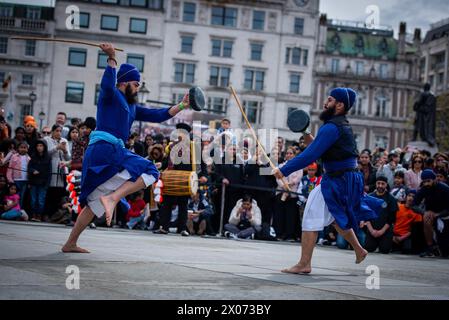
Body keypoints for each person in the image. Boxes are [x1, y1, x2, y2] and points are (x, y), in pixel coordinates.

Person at [62, 43, 191, 253]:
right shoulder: (110, 95)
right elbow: (106, 84)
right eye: (136, 84)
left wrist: (183, 105)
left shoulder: (131, 106)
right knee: (151, 170)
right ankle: (112, 198)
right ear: (124, 83)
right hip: (106, 149)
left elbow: (158, 114)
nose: (138, 88)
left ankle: (70, 243)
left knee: (94, 202)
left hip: (108, 152)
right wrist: (112, 58)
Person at [273, 87, 382, 274]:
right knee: (334, 217)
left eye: (330, 100)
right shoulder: (338, 125)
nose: (325, 103)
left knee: (310, 217)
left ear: (339, 105)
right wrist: (306, 133)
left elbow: (311, 154)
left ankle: (304, 264)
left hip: (338, 179)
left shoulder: (332, 127)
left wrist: (283, 169)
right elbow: (319, 146)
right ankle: (359, 249)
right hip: (342, 178)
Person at [415, 169, 449, 257]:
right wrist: (424, 212)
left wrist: (438, 214)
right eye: (424, 181)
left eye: (428, 181)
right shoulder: (424, 189)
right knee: (426, 218)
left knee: (445, 251)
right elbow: (414, 205)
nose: (427, 184)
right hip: (431, 215)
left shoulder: (444, 188)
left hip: (445, 215)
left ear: (434, 179)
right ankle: (430, 248)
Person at [273, 147, 303, 241]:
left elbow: (298, 178)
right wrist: (284, 186)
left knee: (291, 216)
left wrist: (289, 184)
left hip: (293, 194)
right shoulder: (281, 166)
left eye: (291, 153)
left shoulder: (298, 166)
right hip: (281, 193)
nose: (289, 155)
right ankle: (279, 234)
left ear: (294, 155)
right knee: (280, 214)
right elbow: (278, 178)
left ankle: (290, 235)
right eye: (287, 153)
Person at [364, 176, 398, 254]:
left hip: (385, 230)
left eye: (383, 184)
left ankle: (384, 243)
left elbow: (391, 219)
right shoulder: (369, 197)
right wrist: (372, 231)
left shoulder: (391, 199)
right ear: (376, 184)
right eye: (378, 183)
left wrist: (381, 231)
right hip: (372, 228)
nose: (380, 185)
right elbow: (366, 216)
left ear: (386, 185)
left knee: (385, 250)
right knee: (369, 248)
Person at [28, 140, 51, 222]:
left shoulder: (48, 157)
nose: (39, 147)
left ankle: (39, 215)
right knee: (33, 200)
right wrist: (33, 170)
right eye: (38, 146)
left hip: (43, 183)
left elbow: (49, 172)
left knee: (41, 200)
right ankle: (33, 214)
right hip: (33, 182)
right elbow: (29, 167)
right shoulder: (33, 156)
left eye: (41, 146)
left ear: (44, 147)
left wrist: (47, 184)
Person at [392, 190, 422, 254]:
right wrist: (392, 236)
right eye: (409, 196)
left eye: (413, 196)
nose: (410, 198)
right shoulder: (398, 206)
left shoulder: (417, 212)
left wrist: (401, 238)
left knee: (407, 250)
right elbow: (391, 222)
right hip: (394, 234)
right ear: (406, 197)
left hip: (405, 236)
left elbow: (414, 230)